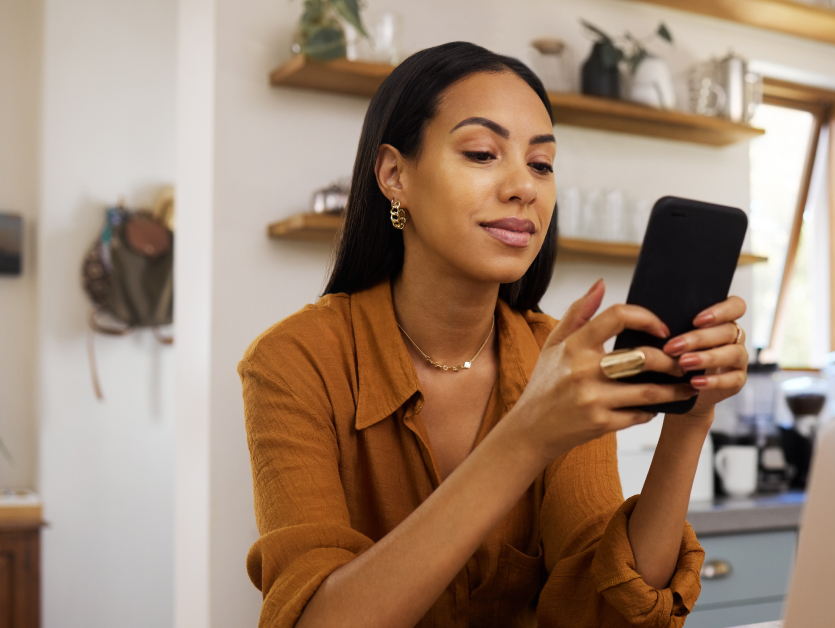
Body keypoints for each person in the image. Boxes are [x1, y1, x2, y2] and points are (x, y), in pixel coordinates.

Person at [240, 41, 749, 628]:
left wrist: (690, 423)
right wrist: (526, 436)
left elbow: (604, 616)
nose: (524, 187)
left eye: (541, 164)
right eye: (483, 153)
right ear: (393, 175)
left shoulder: (558, 356)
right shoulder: (293, 361)